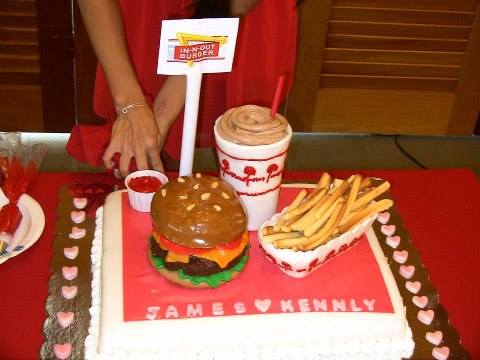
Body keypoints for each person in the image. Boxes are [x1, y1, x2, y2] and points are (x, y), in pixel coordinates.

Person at [67, 0, 299, 178]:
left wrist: (164, 111)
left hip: (232, 11)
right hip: (148, 12)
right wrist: (130, 102)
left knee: (242, 150)